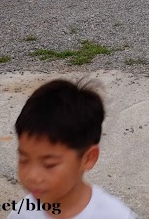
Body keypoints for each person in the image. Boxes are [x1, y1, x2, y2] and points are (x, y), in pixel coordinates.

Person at [11, 79, 136, 219]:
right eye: (23, 160)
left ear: (89, 158)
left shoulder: (114, 215)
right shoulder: (23, 212)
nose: (32, 176)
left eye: (49, 165)